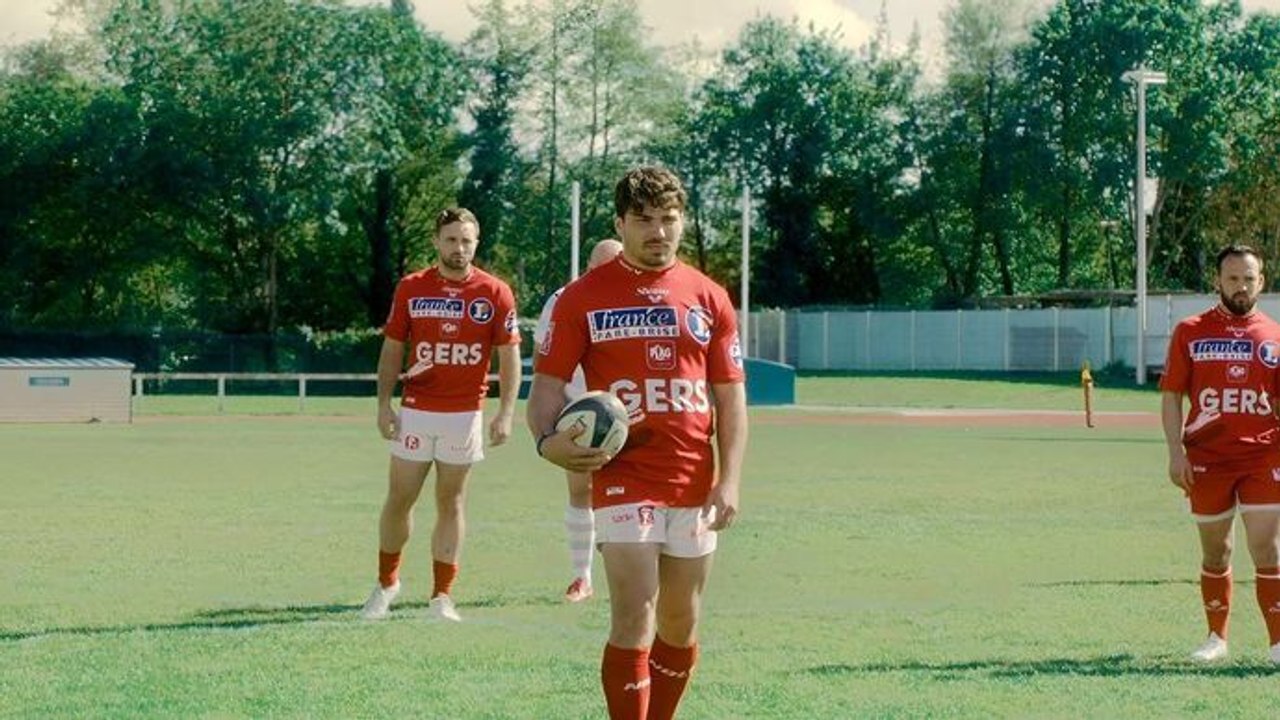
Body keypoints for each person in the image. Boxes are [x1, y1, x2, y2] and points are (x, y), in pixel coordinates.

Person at [527, 166, 748, 719]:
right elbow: (547, 388)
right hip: (623, 474)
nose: (658, 231)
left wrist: (730, 480)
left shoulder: (709, 297)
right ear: (620, 224)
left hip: (692, 478)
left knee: (681, 621)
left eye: (669, 219)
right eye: (644, 220)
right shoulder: (582, 299)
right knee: (634, 613)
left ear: (683, 222)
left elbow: (730, 399)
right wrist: (546, 441)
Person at [360, 207, 521, 623]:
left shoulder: (495, 292)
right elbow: (393, 349)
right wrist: (383, 404)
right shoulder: (412, 288)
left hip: (464, 415)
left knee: (451, 502)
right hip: (416, 411)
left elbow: (509, 356)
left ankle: (442, 596)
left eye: (466, 240)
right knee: (400, 498)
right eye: (451, 239)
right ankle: (386, 584)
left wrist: (505, 412)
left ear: (476, 243)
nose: (458, 248)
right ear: (436, 241)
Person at [1161, 243, 1280, 663]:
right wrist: (1176, 453)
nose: (1241, 286)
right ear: (1218, 281)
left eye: (1248, 278)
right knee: (1217, 551)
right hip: (1206, 458)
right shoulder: (1190, 331)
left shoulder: (1275, 335)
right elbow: (1171, 395)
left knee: (1267, 548)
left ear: (1261, 281)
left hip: (1263, 456)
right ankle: (1216, 638)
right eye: (1232, 278)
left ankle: (1278, 643)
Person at [533, 238, 625, 603]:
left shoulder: (637, 298)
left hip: (630, 408)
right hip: (580, 408)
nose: (605, 275)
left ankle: (634, 574)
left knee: (631, 492)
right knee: (580, 489)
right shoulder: (562, 299)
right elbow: (543, 362)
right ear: (587, 267)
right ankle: (581, 576)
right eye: (598, 268)